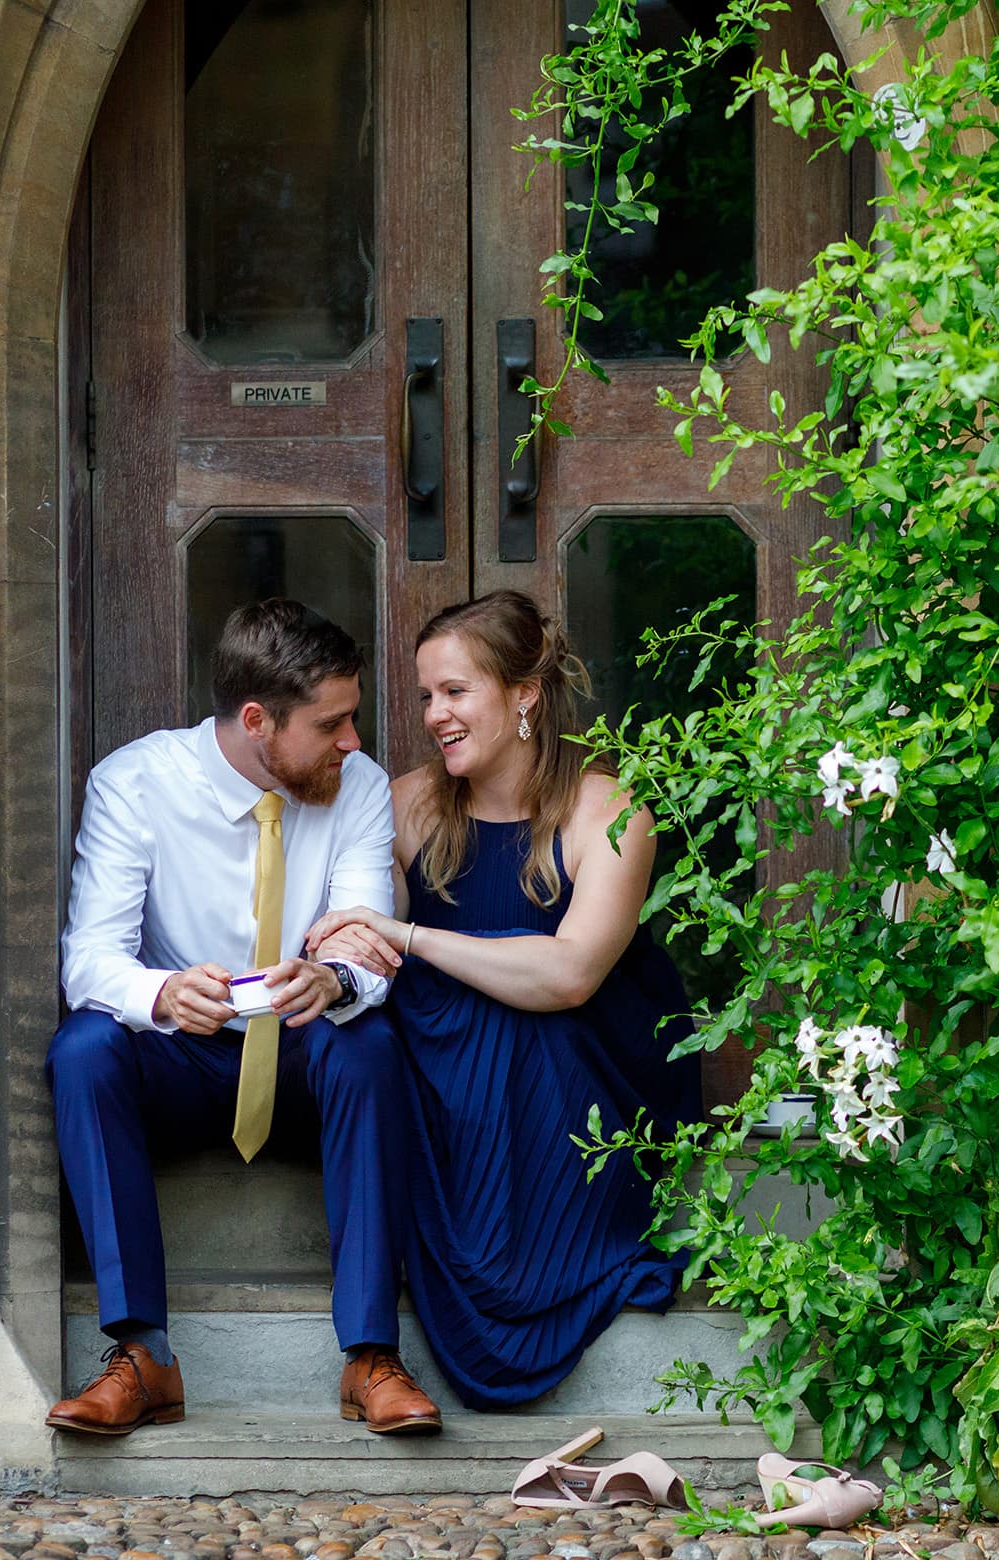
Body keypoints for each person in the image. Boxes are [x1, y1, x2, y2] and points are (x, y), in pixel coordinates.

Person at [44, 600, 442, 1436]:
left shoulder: (358, 789)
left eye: (353, 717)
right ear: (256, 721)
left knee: (369, 1048)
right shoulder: (135, 783)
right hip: (183, 1057)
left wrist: (333, 981)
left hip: (302, 1052)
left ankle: (371, 1356)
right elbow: (89, 961)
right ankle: (142, 1355)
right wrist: (160, 994)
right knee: (83, 1049)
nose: (354, 742)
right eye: (332, 723)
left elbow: (366, 938)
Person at [304, 590, 701, 1408]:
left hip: (591, 1058)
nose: (434, 715)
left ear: (523, 694)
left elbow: (569, 976)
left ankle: (540, 1256)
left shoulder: (610, 810)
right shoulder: (408, 802)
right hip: (457, 1052)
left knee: (519, 1028)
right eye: (425, 696)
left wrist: (411, 938)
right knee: (399, 1039)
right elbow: (365, 950)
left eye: (456, 692)